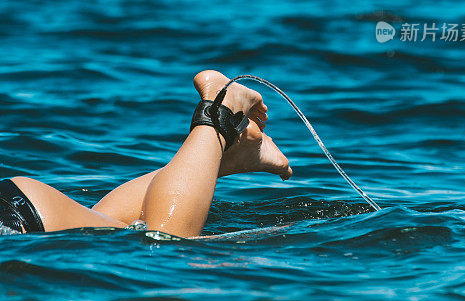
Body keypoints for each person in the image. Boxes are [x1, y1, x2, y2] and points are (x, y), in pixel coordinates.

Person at [0, 70, 292, 238]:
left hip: (16, 217)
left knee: (166, 244)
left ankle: (219, 112)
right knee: (112, 224)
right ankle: (217, 154)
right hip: (23, 207)